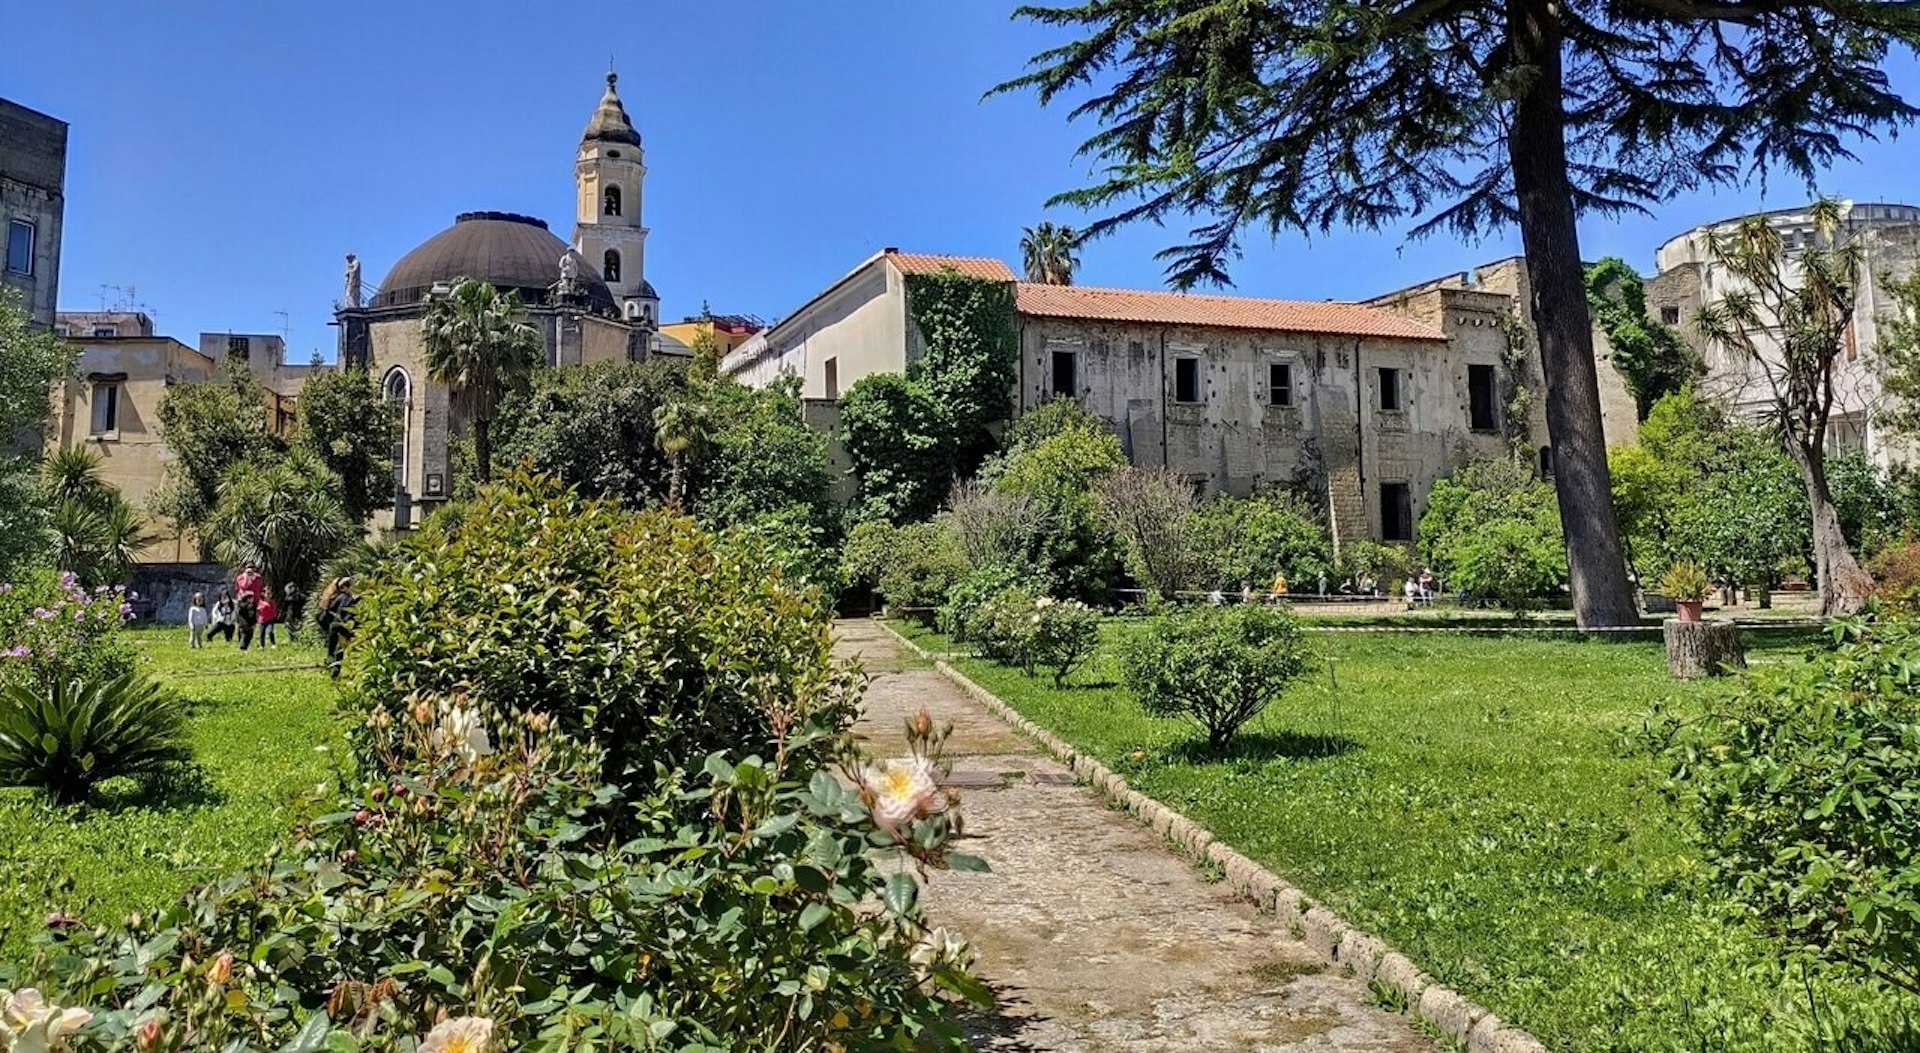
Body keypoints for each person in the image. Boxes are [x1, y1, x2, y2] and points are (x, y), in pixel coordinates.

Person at [318, 576, 358, 679]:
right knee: (344, 651)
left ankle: (333, 672)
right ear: (345, 587)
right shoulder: (347, 599)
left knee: (335, 652)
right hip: (342, 628)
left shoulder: (334, 598)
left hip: (333, 629)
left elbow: (324, 616)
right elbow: (347, 615)